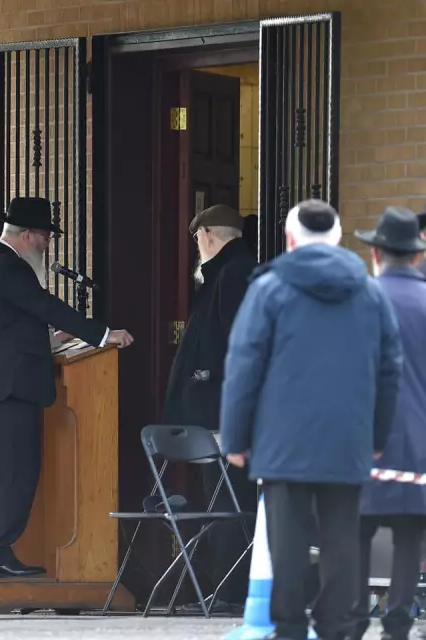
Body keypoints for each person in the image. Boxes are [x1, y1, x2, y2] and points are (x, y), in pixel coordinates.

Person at [220, 199, 402, 640]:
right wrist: (377, 436)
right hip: (347, 439)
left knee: (288, 544)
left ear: (289, 239)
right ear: (338, 238)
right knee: (341, 541)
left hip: (282, 442)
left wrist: (236, 437)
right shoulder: (370, 292)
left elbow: (244, 364)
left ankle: (289, 629)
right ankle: (335, 628)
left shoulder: (269, 289)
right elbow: (389, 369)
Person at [0, 196, 134, 578]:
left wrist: (47, 340)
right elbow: (45, 305)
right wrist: (102, 333)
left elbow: (9, 326)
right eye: (45, 237)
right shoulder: (9, 267)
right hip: (7, 390)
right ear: (27, 235)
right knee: (17, 473)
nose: (46, 246)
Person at [162, 204, 258, 611]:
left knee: (227, 503)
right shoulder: (229, 273)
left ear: (206, 237)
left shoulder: (233, 274)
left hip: (221, 410)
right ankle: (225, 591)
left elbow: (239, 344)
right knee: (223, 500)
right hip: (218, 408)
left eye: (198, 240)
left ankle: (228, 594)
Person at [352, 207, 426, 640]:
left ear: (376, 253)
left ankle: (356, 618)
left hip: (363, 439)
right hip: (418, 440)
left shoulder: (360, 300)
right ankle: (398, 624)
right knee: (409, 536)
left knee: (357, 532)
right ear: (415, 257)